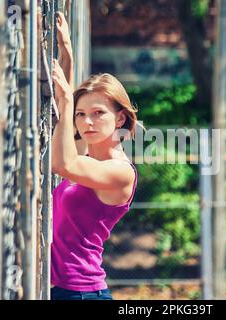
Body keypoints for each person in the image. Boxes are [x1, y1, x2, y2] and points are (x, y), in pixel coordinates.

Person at [50, 12, 139, 300]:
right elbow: (60, 129)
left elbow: (62, 163)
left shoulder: (120, 172)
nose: (87, 122)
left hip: (81, 293)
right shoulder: (88, 157)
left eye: (98, 113)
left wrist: (67, 102)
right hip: (61, 290)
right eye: (81, 115)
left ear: (121, 118)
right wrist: (67, 57)